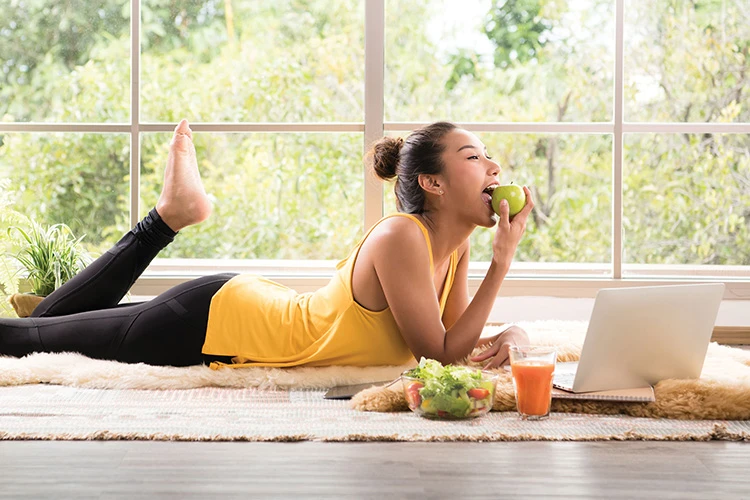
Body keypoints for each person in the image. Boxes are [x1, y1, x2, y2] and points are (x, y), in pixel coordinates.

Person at [0, 120, 534, 370]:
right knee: (25, 341)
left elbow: (455, 346)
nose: (494, 167)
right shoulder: (400, 235)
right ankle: (167, 216)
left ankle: (171, 216)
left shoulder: (454, 247)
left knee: (42, 324)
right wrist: (502, 262)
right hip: (212, 322)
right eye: (473, 157)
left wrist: (513, 331)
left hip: (238, 312)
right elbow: (434, 353)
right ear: (433, 184)